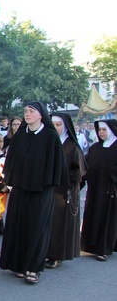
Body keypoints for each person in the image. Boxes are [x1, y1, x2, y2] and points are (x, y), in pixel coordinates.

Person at [0, 102, 67, 284]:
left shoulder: (51, 136)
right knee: (19, 225)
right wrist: (10, 182)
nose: (27, 114)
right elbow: (11, 163)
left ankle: (34, 268)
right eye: (26, 111)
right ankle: (20, 264)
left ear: (41, 115)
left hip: (41, 191)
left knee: (37, 228)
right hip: (21, 189)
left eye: (31, 111)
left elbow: (56, 165)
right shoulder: (20, 136)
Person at [44, 113, 87, 268]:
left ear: (65, 126)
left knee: (59, 224)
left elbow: (79, 172)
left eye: (58, 125)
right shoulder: (49, 143)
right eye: (53, 124)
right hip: (48, 189)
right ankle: (45, 251)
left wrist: (64, 181)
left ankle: (57, 255)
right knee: (47, 222)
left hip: (64, 191)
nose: (55, 128)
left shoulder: (72, 146)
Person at [80, 119, 117, 261]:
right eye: (100, 130)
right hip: (94, 188)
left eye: (104, 130)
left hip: (110, 190)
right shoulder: (95, 147)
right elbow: (86, 165)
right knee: (92, 214)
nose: (101, 132)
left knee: (106, 218)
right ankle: (90, 245)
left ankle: (104, 248)